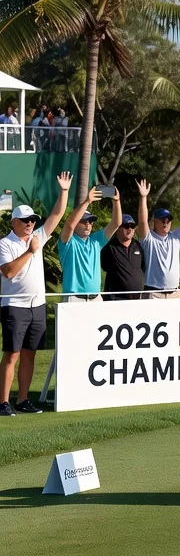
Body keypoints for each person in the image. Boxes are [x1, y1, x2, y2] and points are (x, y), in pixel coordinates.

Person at [0, 172, 71, 415]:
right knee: (12, 355)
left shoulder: (38, 236)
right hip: (14, 305)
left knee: (30, 354)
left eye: (32, 220)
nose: (30, 223)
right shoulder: (5, 243)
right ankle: (3, 403)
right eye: (25, 220)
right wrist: (30, 252)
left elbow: (57, 215)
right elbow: (8, 272)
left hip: (37, 306)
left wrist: (63, 191)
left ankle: (22, 401)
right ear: (14, 222)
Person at [57, 186, 122, 302]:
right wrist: (87, 201)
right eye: (84, 221)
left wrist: (116, 201)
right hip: (74, 299)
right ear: (76, 223)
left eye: (90, 222)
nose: (88, 225)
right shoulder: (68, 241)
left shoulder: (96, 240)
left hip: (96, 298)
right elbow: (69, 224)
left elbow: (116, 223)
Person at [137, 179, 180, 298]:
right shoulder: (148, 238)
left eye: (168, 220)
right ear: (155, 222)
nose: (166, 223)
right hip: (153, 293)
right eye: (162, 220)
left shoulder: (176, 237)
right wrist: (143, 197)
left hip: (175, 293)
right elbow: (142, 220)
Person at [101, 211, 146, 301]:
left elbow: (142, 266)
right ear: (118, 228)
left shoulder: (138, 245)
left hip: (136, 298)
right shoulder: (109, 246)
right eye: (126, 226)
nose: (130, 229)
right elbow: (104, 266)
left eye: (132, 226)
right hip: (115, 298)